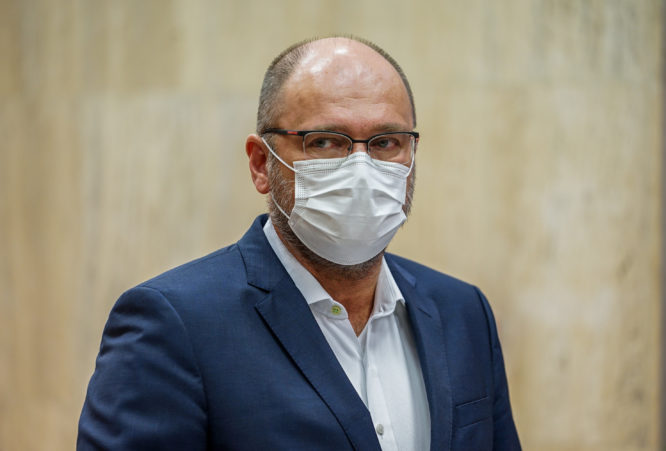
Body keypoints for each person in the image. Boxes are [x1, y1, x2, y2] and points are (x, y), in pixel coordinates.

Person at [77, 36, 521, 451]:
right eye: (324, 141)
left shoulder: (463, 312)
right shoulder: (174, 325)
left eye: (386, 142)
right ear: (260, 164)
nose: (362, 170)